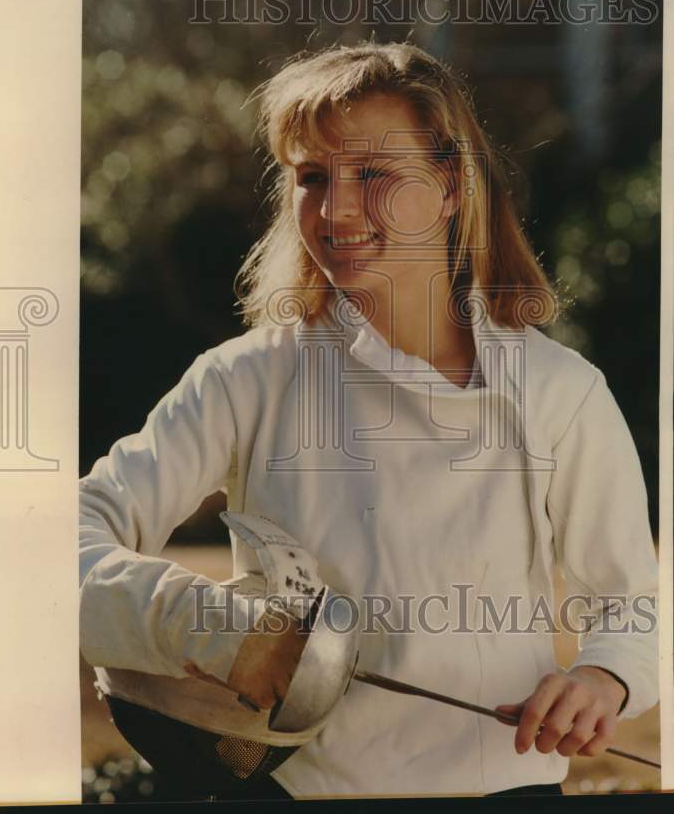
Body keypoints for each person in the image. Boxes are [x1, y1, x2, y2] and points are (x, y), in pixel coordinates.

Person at [79, 41, 659, 799]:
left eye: (374, 175)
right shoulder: (245, 378)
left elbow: (631, 607)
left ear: (451, 187)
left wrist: (601, 678)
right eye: (311, 177)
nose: (336, 208)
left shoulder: (557, 391)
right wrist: (205, 627)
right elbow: (59, 545)